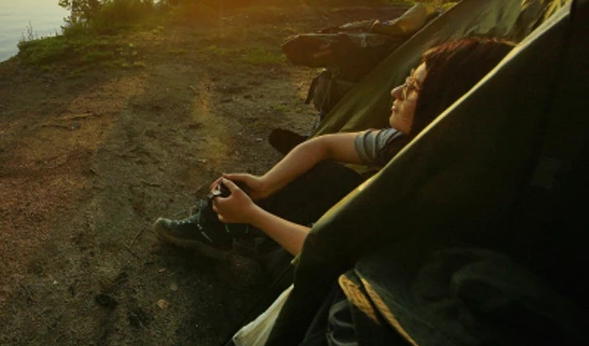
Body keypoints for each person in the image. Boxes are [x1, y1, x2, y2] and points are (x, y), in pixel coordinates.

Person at [154, 37, 516, 258]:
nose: (395, 93)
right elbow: (324, 145)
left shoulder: (440, 192)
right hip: (348, 243)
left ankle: (246, 233)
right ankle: (227, 231)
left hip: (362, 274)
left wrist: (254, 214)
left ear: (449, 104)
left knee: (301, 207)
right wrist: (265, 184)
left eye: (411, 90)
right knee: (314, 170)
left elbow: (334, 253)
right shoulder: (409, 143)